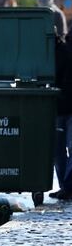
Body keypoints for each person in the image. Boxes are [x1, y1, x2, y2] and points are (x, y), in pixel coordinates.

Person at [50, 29, 72, 200]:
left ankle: (68, 186)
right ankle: (66, 186)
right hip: (60, 105)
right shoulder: (60, 49)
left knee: (62, 149)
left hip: (62, 105)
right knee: (60, 149)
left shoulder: (61, 50)